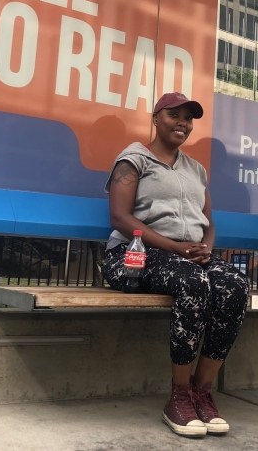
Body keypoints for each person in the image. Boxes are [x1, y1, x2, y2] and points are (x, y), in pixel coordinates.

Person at [103, 92, 249, 438]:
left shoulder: (195, 169)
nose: (182, 123)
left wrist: (203, 251)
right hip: (132, 256)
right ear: (156, 118)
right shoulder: (134, 159)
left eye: (188, 118)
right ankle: (179, 396)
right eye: (174, 115)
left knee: (235, 286)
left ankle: (202, 391)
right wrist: (177, 249)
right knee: (193, 282)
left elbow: (208, 222)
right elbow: (121, 218)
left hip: (186, 256)